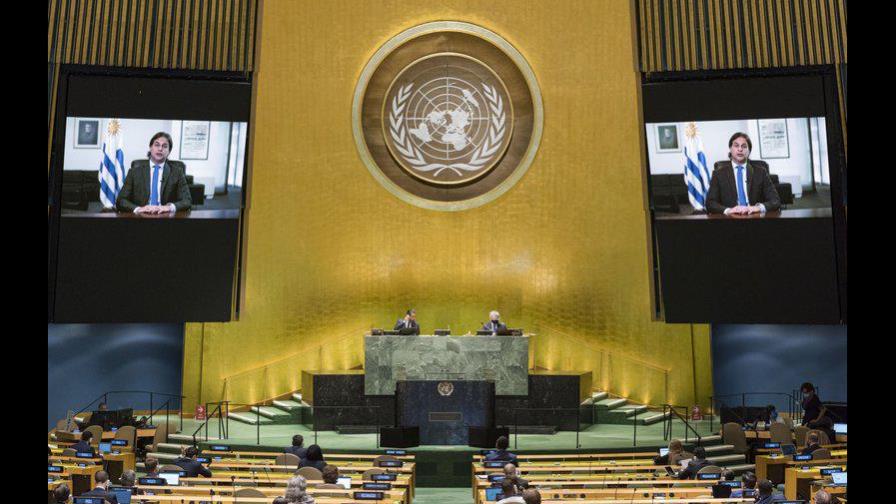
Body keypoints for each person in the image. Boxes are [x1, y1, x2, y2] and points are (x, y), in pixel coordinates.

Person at [116, 131, 192, 214]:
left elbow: (187, 200)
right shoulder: (134, 172)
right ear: (150, 147)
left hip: (165, 216)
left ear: (169, 151)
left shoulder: (177, 172)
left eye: (165, 146)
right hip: (141, 216)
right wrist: (138, 209)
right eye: (157, 145)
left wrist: (169, 207)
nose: (160, 149)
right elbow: (121, 201)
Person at [706, 132, 781, 215]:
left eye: (744, 146)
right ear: (730, 149)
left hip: (754, 216)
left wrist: (757, 208)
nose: (740, 149)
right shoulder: (718, 174)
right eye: (736, 145)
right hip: (730, 217)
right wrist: (729, 210)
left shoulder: (761, 172)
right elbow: (710, 203)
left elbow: (775, 201)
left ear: (749, 151)